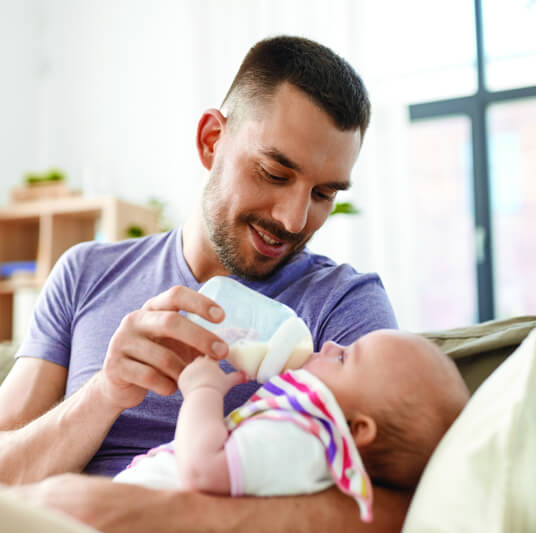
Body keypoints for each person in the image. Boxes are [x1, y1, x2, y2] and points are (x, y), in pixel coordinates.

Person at [0, 36, 409, 532]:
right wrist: (106, 393)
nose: (295, 218)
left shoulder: (342, 305)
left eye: (323, 193)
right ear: (211, 140)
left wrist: (164, 512)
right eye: (274, 173)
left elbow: (396, 507)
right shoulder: (85, 273)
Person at [113, 329, 469, 525]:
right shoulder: (305, 433)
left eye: (344, 357)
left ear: (358, 429)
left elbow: (203, 471)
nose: (329, 344)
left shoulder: (304, 438)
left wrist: (202, 391)